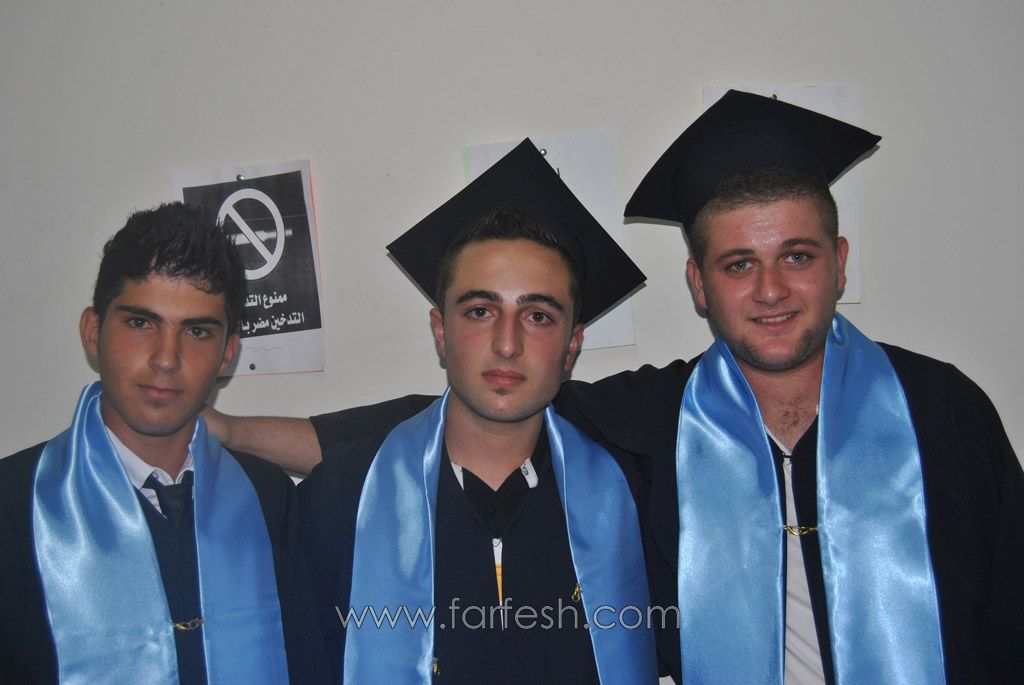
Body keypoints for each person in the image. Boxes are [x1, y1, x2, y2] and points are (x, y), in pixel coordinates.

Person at [209, 93, 1024, 684]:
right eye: (739, 263)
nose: (771, 290)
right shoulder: (659, 425)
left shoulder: (943, 413)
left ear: (839, 263)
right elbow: (474, 407)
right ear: (699, 284)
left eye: (798, 256)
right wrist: (231, 431)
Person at [298, 140, 657, 683]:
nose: (507, 344)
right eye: (481, 311)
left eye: (538, 315)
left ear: (572, 345)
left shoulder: (631, 499)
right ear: (441, 332)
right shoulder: (342, 501)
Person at [0, 202, 327, 683]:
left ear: (227, 353)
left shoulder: (266, 496)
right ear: (93, 331)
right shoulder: (15, 503)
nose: (166, 358)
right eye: (140, 323)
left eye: (197, 331)